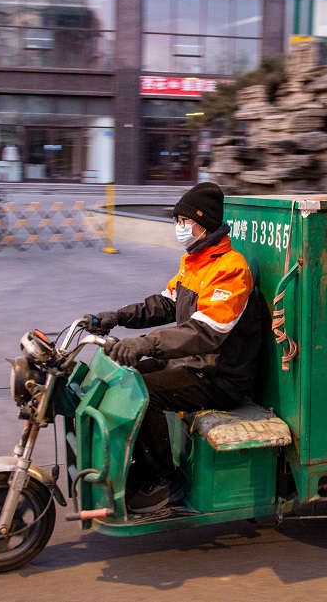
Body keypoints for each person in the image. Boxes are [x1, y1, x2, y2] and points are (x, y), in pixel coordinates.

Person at [85, 182, 263, 514]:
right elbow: (165, 305)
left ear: (204, 224)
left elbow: (205, 332)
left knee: (144, 393)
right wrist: (114, 317)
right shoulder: (194, 263)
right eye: (176, 221)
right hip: (193, 365)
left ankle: (168, 483)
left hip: (219, 376)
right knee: (126, 378)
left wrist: (145, 344)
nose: (179, 228)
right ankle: (145, 465)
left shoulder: (231, 269)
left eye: (184, 221)